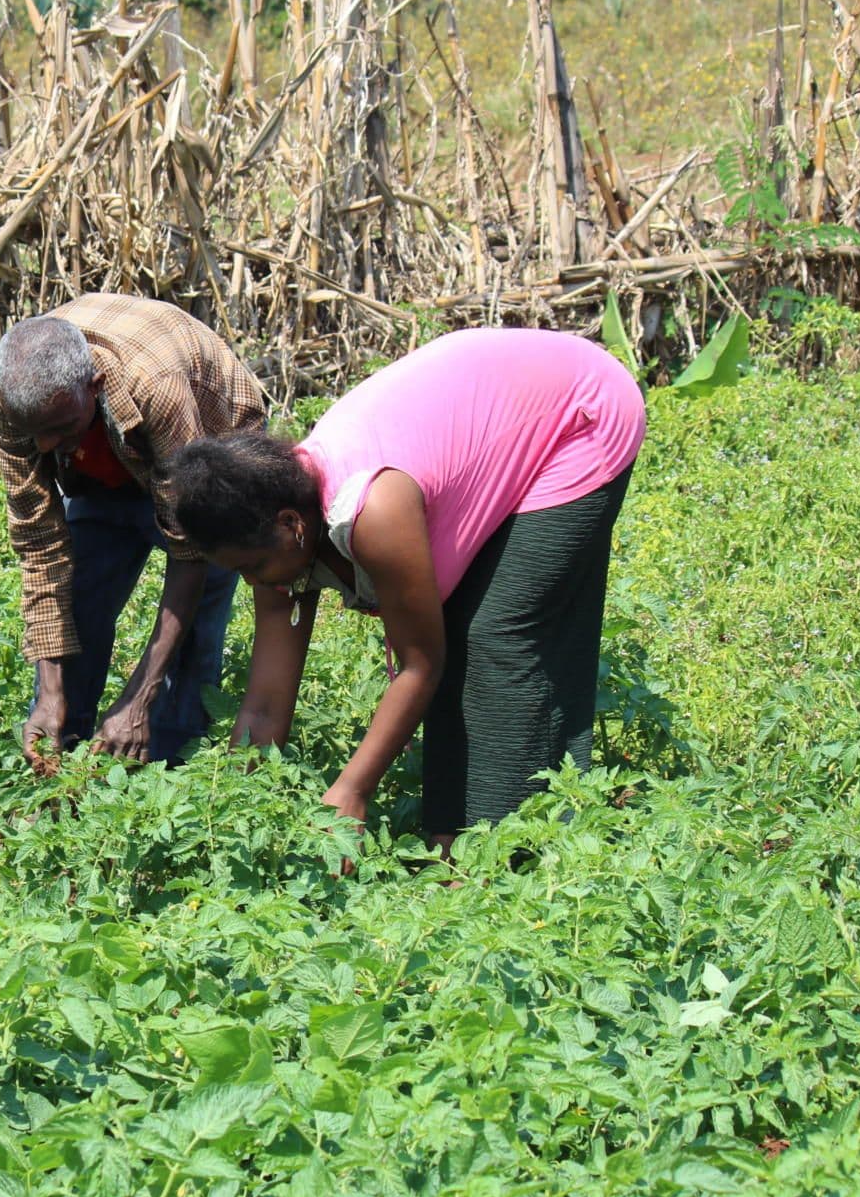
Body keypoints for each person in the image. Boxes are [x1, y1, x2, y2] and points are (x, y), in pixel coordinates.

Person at [166, 328, 646, 855]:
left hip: (574, 413)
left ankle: (503, 854)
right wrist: (234, 812)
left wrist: (351, 790)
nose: (258, 583)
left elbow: (420, 665)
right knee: (452, 621)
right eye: (242, 573)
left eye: (255, 567)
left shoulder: (371, 512)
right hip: (484, 416)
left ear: (292, 525)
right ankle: (451, 836)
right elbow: (264, 703)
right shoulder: (267, 531)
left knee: (495, 636)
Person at [0, 294, 265, 768]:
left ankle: (174, 772)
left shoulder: (155, 386)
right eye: (35, 433)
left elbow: (192, 551)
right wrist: (50, 693)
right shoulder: (11, 396)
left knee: (194, 640)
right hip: (104, 467)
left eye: (60, 427)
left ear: (94, 386)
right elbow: (40, 546)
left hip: (211, 444)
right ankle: (63, 763)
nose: (46, 446)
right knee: (78, 606)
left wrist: (139, 698)